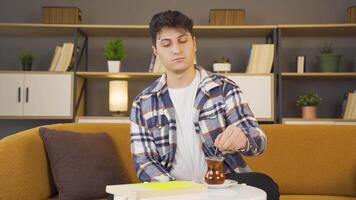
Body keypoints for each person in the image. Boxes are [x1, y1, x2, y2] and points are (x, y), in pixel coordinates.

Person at [130, 10, 279, 200]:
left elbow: (259, 141)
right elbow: (144, 162)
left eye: (183, 41)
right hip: (171, 188)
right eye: (166, 44)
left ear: (194, 43)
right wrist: (180, 192)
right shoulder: (143, 103)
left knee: (266, 185)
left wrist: (243, 138)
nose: (176, 49)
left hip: (223, 185)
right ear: (156, 51)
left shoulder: (224, 88)